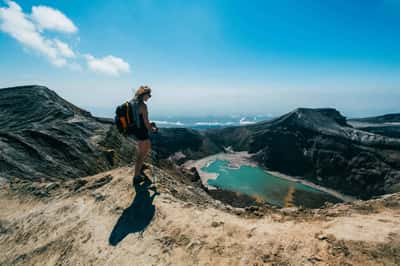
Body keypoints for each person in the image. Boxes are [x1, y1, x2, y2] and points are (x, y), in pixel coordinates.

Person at [130, 85, 158, 184]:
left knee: (144, 150)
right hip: (142, 132)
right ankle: (136, 176)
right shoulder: (142, 105)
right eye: (149, 95)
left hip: (136, 131)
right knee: (141, 154)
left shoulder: (132, 102)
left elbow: (139, 120)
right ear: (144, 94)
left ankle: (140, 167)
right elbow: (146, 122)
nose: (149, 97)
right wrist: (152, 129)